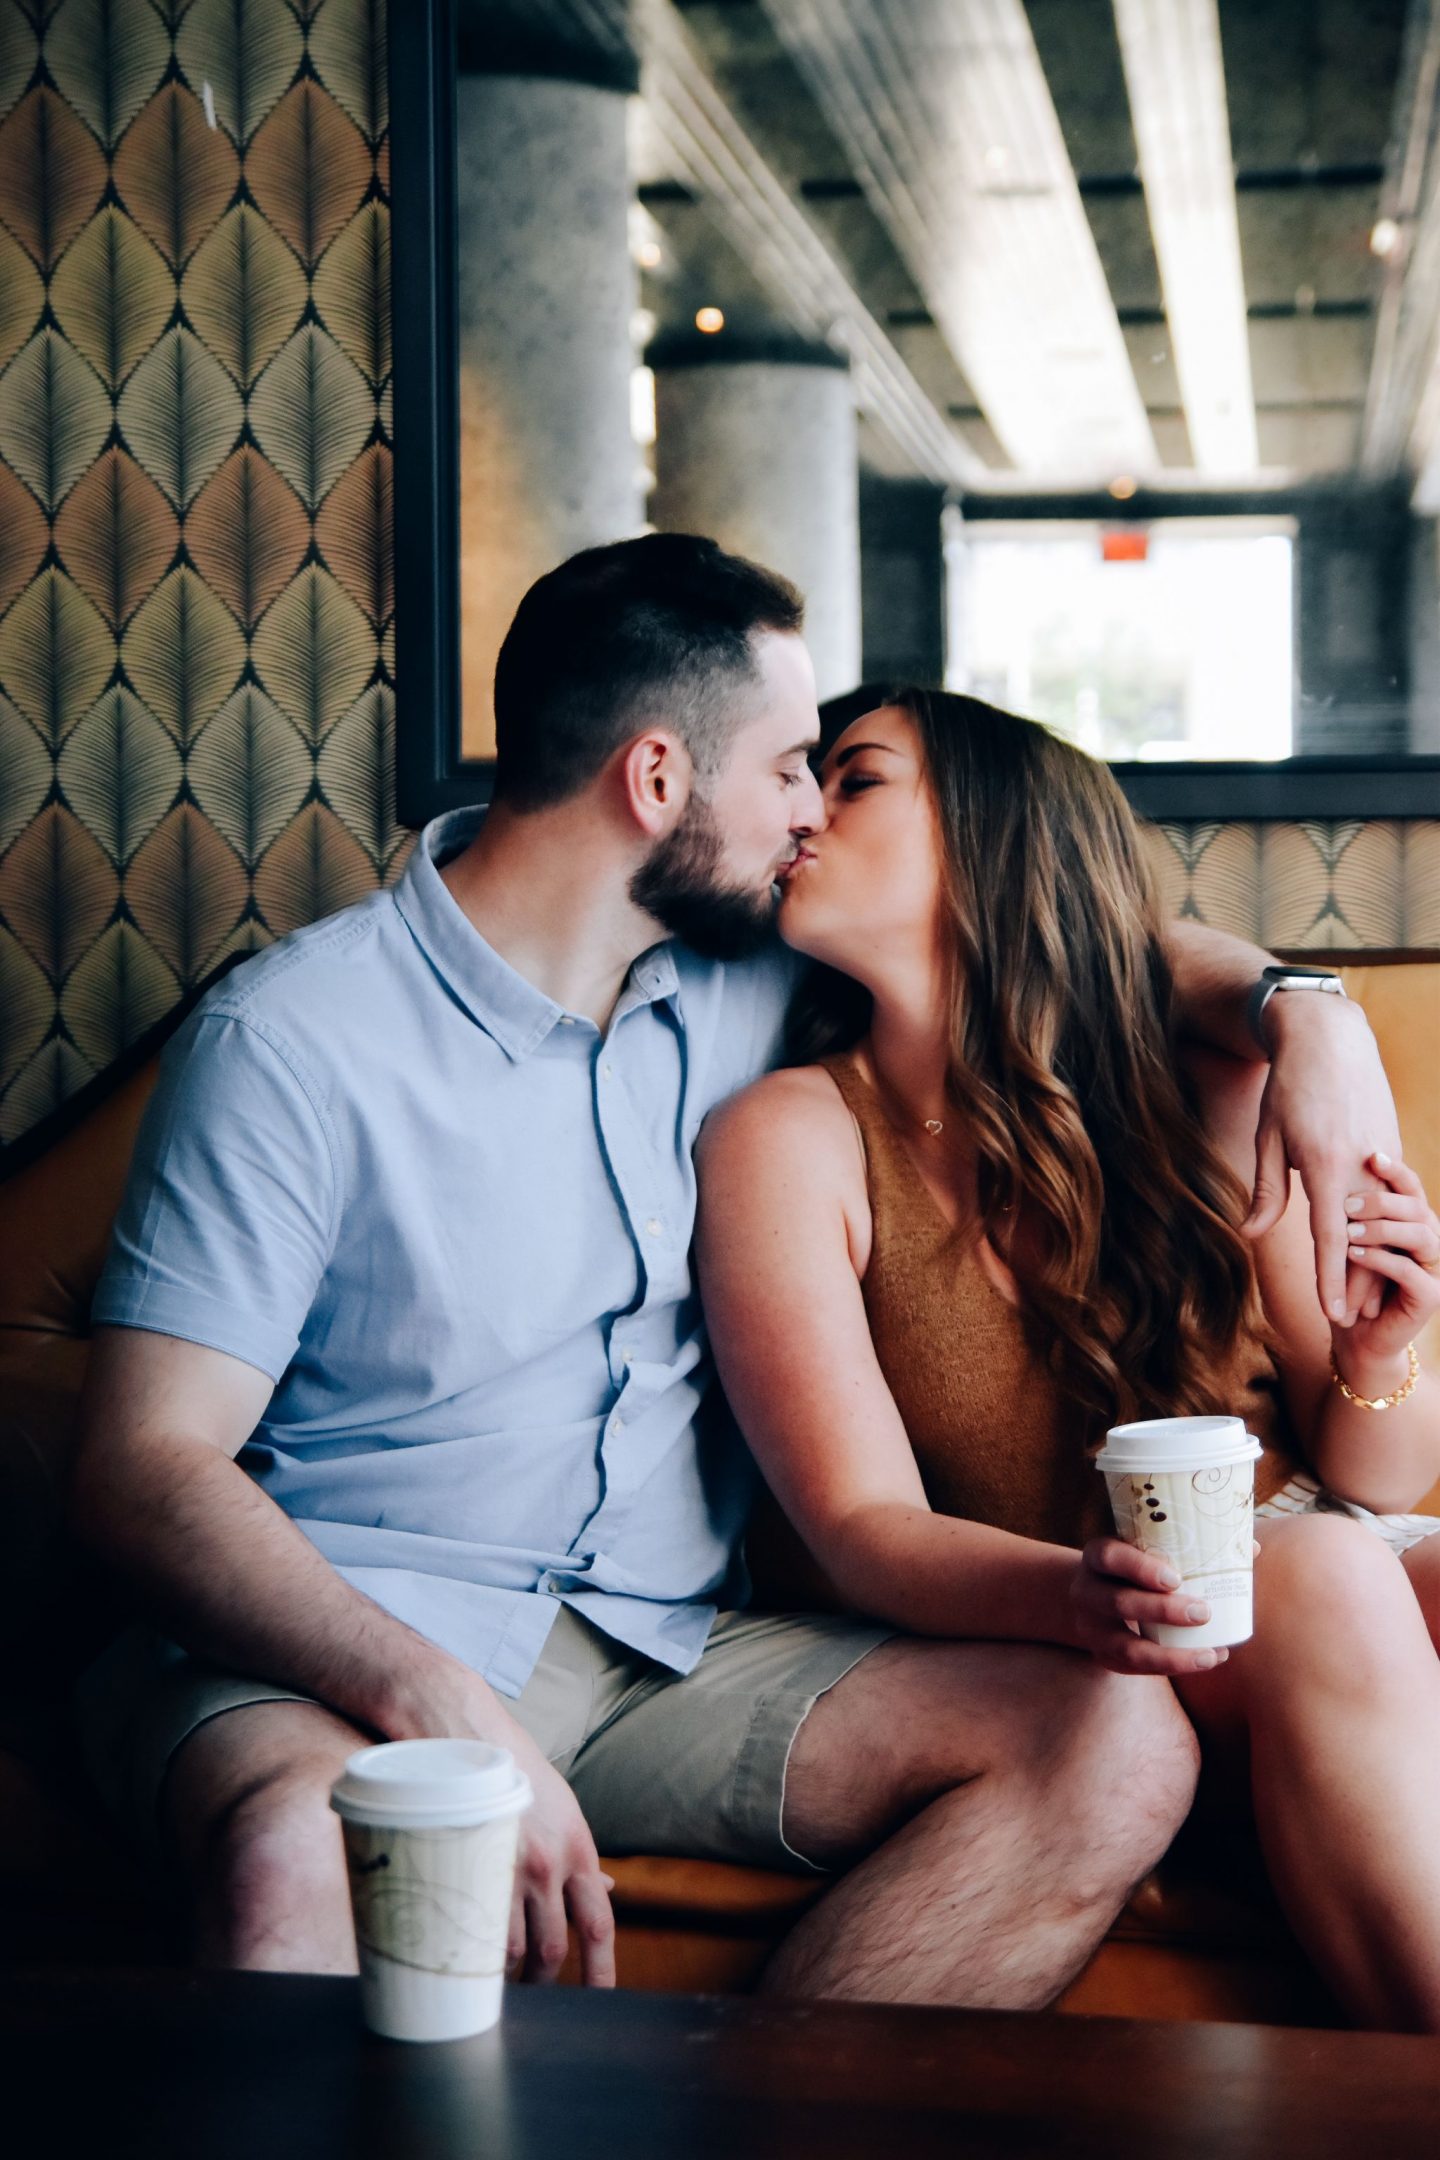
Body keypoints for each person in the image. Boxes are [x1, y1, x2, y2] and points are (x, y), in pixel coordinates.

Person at [70, 539, 1399, 2012]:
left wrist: (1310, 1014)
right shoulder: (293, 1043)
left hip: (666, 1651)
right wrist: (429, 1697)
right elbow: (142, 1469)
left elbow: (1068, 934)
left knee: (1116, 1743)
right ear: (656, 783)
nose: (803, 815)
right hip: (355, 1635)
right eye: (785, 769)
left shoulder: (740, 975)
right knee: (297, 1862)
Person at [695, 686, 1440, 2031]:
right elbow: (862, 1527)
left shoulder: (1206, 1087)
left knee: (1346, 1560)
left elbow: (1376, 1478)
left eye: (854, 778)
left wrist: (1387, 1353)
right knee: (1330, 1573)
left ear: (992, 838)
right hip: (1092, 1614)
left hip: (1316, 1563)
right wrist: (1082, 1605)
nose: (804, 810)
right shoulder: (790, 1139)